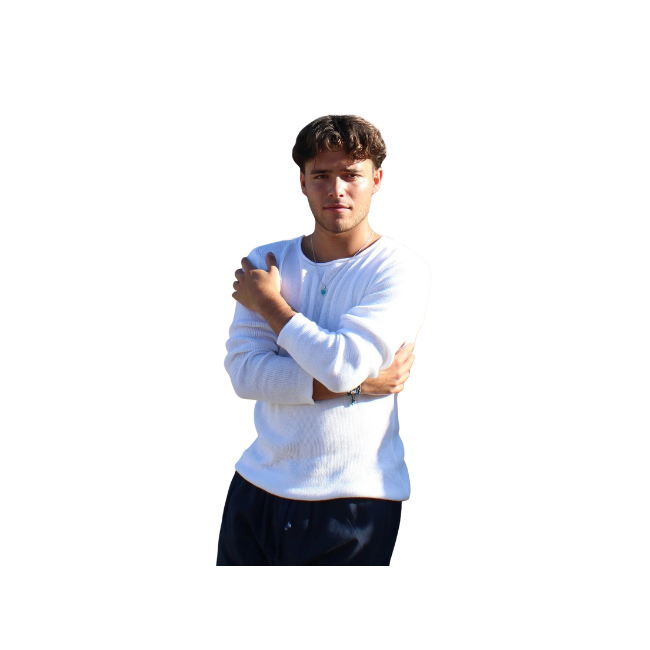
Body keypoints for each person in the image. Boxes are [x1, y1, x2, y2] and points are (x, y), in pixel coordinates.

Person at [216, 115, 431, 566]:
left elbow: (342, 364)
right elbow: (245, 375)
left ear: (377, 179)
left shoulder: (399, 269)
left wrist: (271, 305)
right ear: (302, 182)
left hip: (354, 502)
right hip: (256, 489)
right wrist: (360, 387)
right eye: (321, 176)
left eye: (351, 174)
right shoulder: (266, 261)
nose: (336, 189)